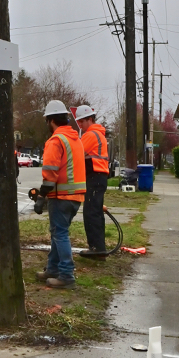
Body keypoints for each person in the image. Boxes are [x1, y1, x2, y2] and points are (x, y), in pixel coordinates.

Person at [37, 100, 86, 288]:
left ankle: (66, 276)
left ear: (50, 121)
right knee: (58, 232)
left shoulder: (56, 140)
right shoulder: (75, 139)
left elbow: (50, 174)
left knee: (60, 234)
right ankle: (53, 269)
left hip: (61, 197)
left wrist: (42, 196)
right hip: (75, 197)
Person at [75, 104, 109, 258]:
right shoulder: (99, 134)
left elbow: (77, 153)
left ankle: (96, 248)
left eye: (81, 121)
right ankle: (99, 247)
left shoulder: (90, 135)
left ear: (89, 119)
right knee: (96, 212)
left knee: (91, 213)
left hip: (94, 177)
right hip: (99, 177)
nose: (79, 125)